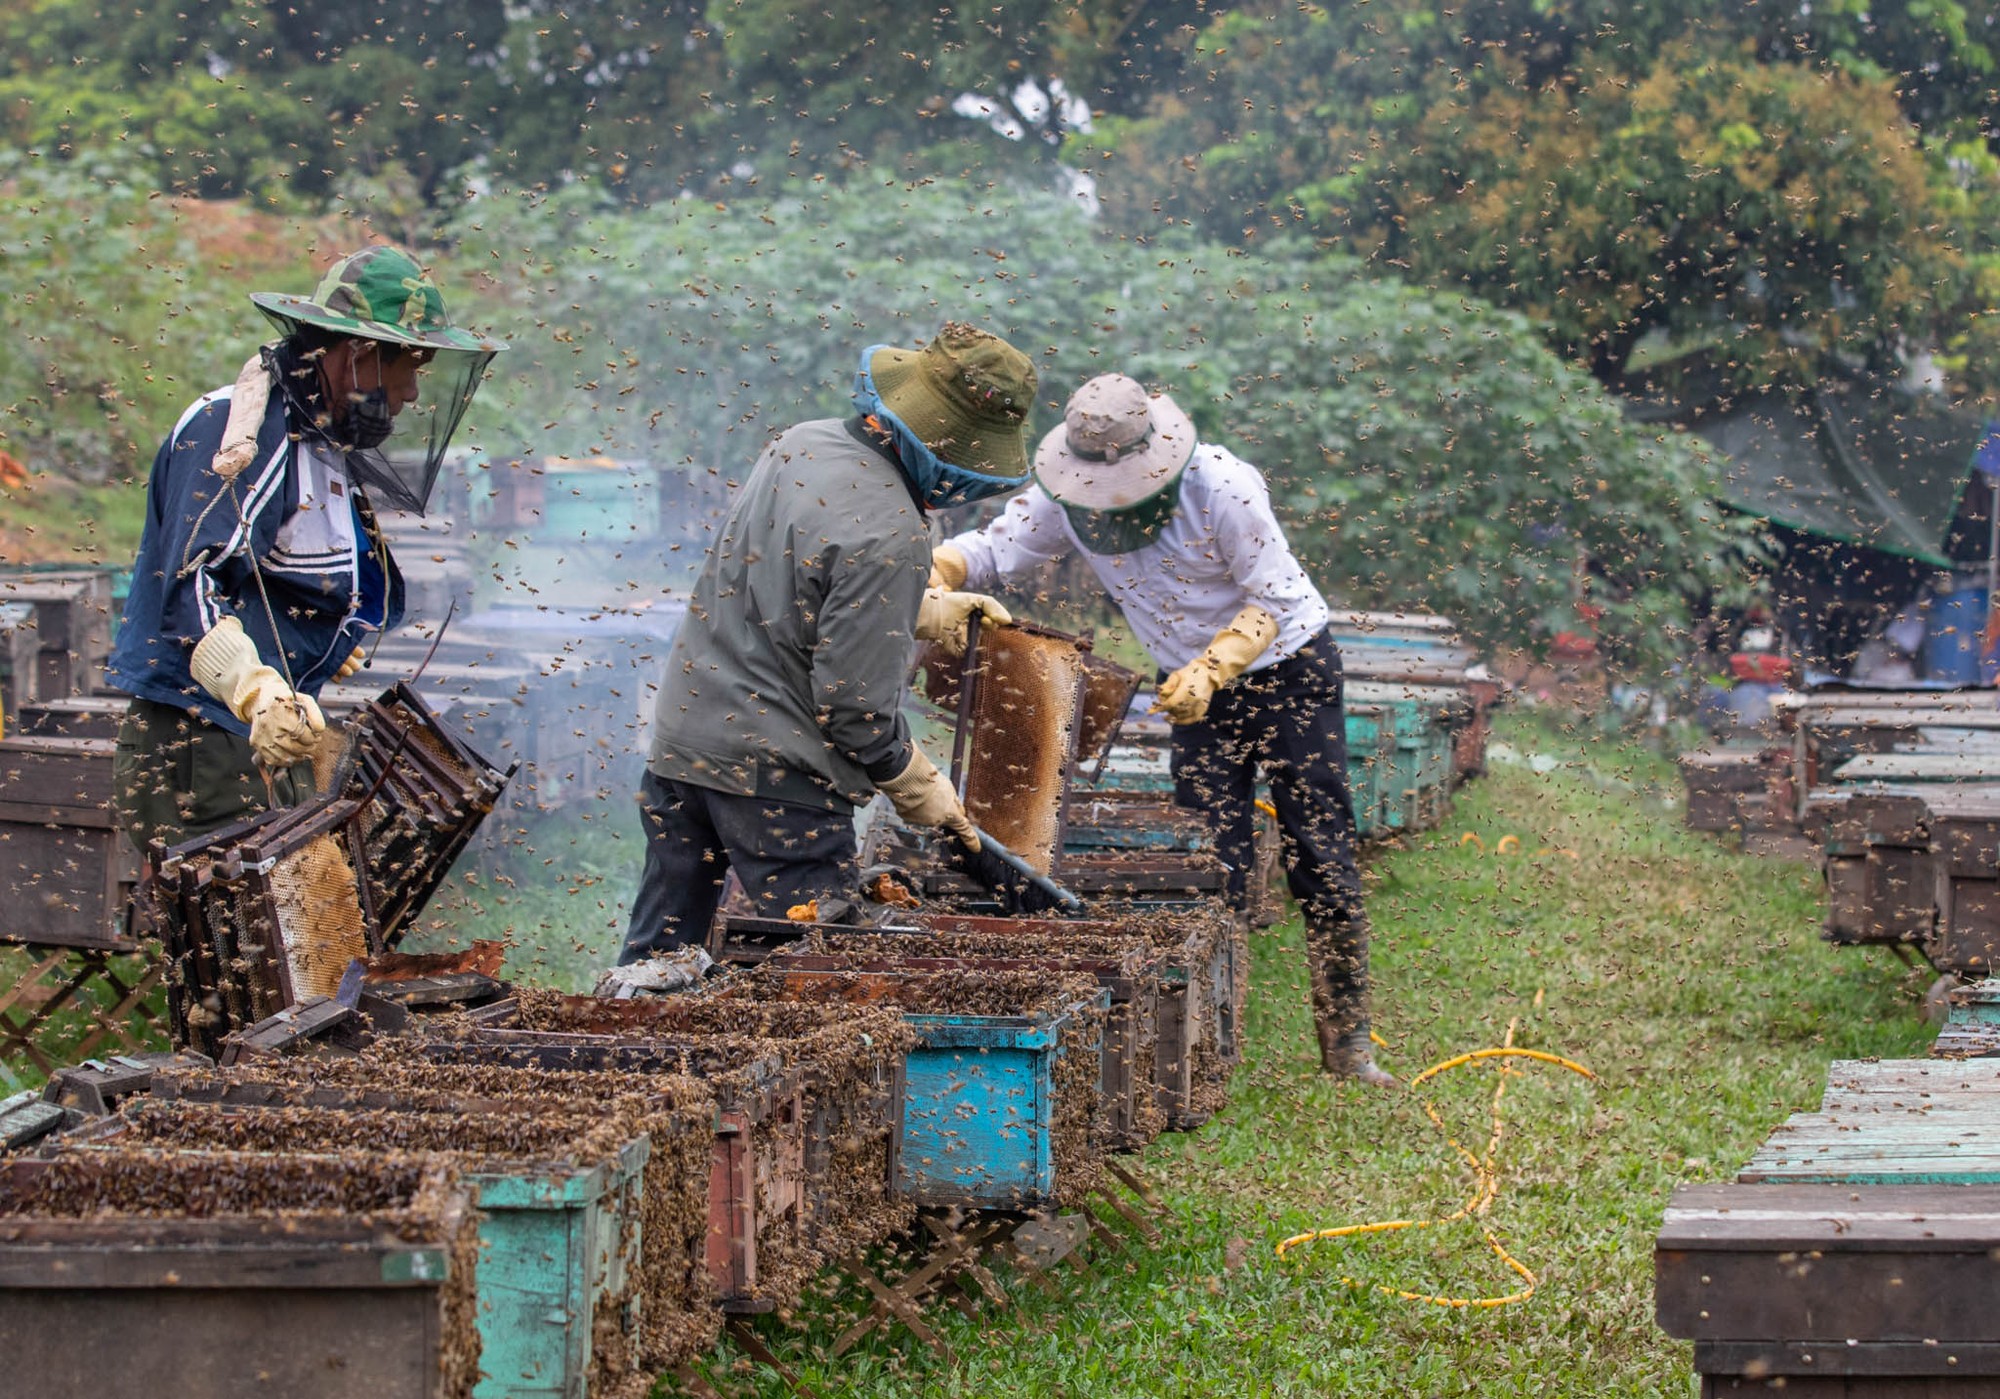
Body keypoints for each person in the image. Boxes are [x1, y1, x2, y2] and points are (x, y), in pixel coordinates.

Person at [934, 373, 1392, 1084]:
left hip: (1288, 671)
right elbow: (995, 549)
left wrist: (1212, 667)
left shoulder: (1224, 486)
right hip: (1191, 692)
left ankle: (1348, 1045)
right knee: (1210, 860)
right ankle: (1210, 1047)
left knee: (1319, 849)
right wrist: (938, 572)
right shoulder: (1066, 495)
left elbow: (1274, 598)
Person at [615, 322, 1035, 965]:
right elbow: (855, 711)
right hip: (779, 783)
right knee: (823, 979)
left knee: (657, 963)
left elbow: (786, 582)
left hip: (682, 748)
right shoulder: (894, 532)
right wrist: (915, 781)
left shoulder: (800, 442)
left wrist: (919, 608)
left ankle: (625, 1031)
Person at [106, 245, 505, 853]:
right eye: (410, 366)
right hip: (204, 744)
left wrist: (318, 633)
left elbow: (294, 569)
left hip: (267, 740)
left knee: (301, 909)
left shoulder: (317, 439)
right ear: (359, 356)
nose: (412, 392)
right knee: (243, 913)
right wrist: (254, 688)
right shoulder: (238, 431)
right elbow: (192, 584)